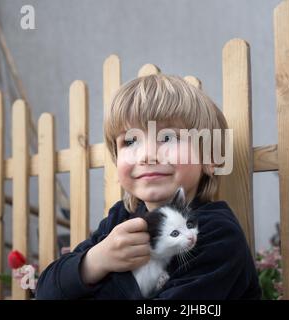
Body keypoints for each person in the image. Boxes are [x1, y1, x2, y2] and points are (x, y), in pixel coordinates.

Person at [35, 74, 261, 299]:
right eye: (130, 141)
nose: (147, 155)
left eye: (168, 137)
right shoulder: (121, 219)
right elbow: (45, 291)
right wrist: (95, 260)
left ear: (211, 156)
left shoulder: (215, 233)